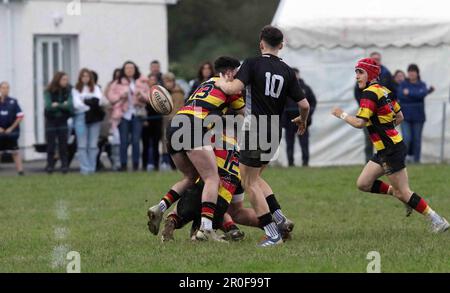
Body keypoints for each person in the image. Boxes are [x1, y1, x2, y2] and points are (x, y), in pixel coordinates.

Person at [215, 25, 310, 246]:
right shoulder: (287, 70)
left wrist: (220, 80)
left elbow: (231, 89)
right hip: (275, 128)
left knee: (249, 182)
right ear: (281, 45)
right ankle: (279, 218)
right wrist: (302, 120)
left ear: (261, 43)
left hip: (255, 127)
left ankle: (272, 234)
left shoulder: (252, 63)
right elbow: (304, 104)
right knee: (256, 178)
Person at [331, 57, 448, 233]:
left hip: (391, 150)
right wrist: (385, 128)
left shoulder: (369, 93)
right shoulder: (384, 90)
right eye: (356, 72)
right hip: (385, 148)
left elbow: (359, 123)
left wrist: (341, 114)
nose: (356, 77)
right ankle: (401, 197)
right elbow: (400, 117)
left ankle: (437, 220)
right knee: (364, 183)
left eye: (360, 72)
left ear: (370, 74)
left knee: (405, 192)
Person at [147, 56, 245, 242]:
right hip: (194, 126)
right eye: (239, 72)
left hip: (176, 123)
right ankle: (206, 228)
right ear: (231, 72)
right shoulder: (231, 86)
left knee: (191, 177)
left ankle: (159, 208)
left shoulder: (207, 83)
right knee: (212, 178)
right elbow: (242, 115)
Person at [106, 61, 149, 171]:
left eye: (132, 68)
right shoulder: (117, 83)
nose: (129, 70)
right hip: (122, 115)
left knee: (136, 140)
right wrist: (121, 96)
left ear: (135, 69)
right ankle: (123, 164)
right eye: (127, 68)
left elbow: (149, 97)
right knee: (123, 141)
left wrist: (141, 96)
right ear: (123, 70)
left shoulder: (141, 82)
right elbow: (110, 97)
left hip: (137, 114)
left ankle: (135, 164)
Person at [397, 64, 434, 163]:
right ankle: (403, 160)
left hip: (418, 116)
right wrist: (415, 95)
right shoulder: (403, 84)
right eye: (409, 72)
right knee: (407, 138)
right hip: (405, 116)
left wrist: (409, 93)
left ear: (417, 73)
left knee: (417, 140)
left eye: (413, 71)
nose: (411, 73)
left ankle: (416, 160)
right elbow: (400, 95)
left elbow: (422, 94)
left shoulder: (422, 84)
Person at [72, 68, 104, 174]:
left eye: (87, 76)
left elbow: (98, 101)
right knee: (82, 145)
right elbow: (77, 104)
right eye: (83, 76)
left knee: (93, 145)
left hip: (94, 118)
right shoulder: (75, 89)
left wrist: (85, 101)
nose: (85, 78)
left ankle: (92, 167)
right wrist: (88, 104)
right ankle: (84, 168)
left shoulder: (95, 88)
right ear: (80, 77)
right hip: (80, 118)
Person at [283, 67, 316, 167]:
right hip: (289, 121)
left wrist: (307, 116)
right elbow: (280, 104)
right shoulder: (285, 88)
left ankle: (305, 163)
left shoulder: (305, 88)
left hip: (302, 120)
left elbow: (312, 102)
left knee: (304, 142)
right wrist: (283, 119)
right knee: (289, 143)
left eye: (296, 74)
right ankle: (290, 163)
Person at [44, 72, 74, 174]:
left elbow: (69, 105)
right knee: (51, 145)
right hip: (51, 120)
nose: (66, 81)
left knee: (63, 144)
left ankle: (64, 166)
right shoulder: (49, 91)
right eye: (64, 79)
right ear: (58, 80)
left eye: (67, 79)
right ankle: (50, 165)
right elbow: (48, 106)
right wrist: (62, 105)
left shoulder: (69, 90)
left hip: (63, 120)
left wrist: (57, 105)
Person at [160, 72, 186, 170]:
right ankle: (165, 161)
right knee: (165, 141)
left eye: (169, 81)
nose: (167, 84)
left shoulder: (178, 93)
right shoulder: (165, 93)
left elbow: (178, 108)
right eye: (166, 82)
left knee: (174, 142)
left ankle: (174, 164)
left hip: (175, 120)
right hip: (167, 120)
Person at [0, 81, 24, 175]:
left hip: (11, 131)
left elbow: (20, 116)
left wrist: (11, 128)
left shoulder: (13, 102)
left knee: (15, 151)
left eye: (7, 88)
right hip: (0, 132)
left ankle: (20, 171)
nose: (5, 90)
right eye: (3, 88)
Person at [142, 74, 163, 171]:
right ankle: (144, 165)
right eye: (150, 79)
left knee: (155, 144)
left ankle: (156, 165)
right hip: (146, 120)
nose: (152, 81)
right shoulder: (143, 92)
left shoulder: (159, 92)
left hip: (157, 120)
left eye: (153, 79)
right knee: (145, 144)